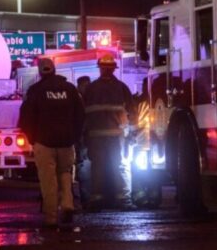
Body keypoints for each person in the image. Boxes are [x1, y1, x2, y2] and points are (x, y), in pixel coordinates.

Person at [18, 58, 84, 228]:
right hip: (66, 142)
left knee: (48, 181)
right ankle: (68, 204)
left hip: (44, 142)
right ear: (54, 70)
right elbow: (80, 115)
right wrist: (74, 137)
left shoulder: (36, 90)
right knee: (65, 174)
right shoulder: (70, 89)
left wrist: (33, 139)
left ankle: (51, 217)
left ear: (40, 72)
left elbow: (25, 117)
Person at [83, 54, 137, 211]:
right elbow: (132, 112)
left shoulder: (91, 89)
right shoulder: (121, 88)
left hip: (96, 137)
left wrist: (84, 136)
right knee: (121, 166)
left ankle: (97, 200)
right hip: (117, 136)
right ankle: (123, 200)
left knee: (98, 167)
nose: (106, 70)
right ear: (114, 69)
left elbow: (84, 114)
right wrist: (132, 134)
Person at [74, 75, 92, 208]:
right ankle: (86, 199)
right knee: (84, 169)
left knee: (86, 169)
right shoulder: (78, 100)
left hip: (88, 140)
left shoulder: (87, 100)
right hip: (82, 141)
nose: (87, 88)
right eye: (85, 86)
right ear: (79, 86)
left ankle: (88, 198)